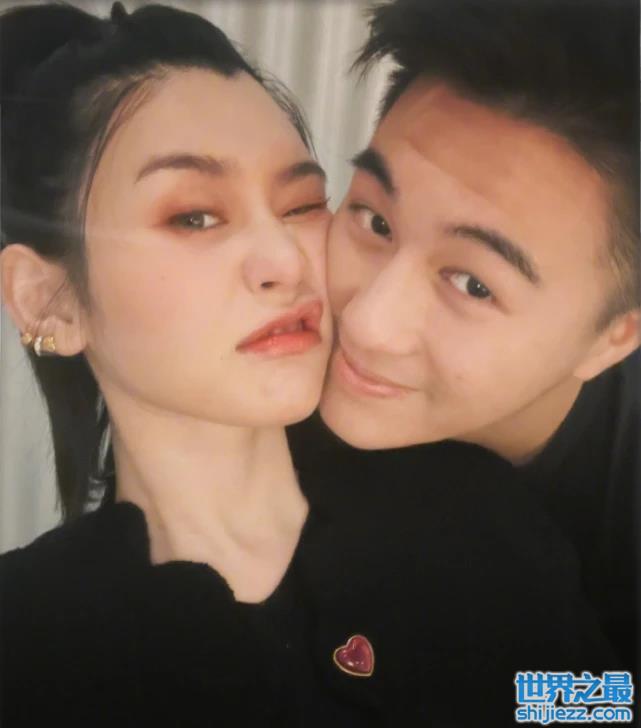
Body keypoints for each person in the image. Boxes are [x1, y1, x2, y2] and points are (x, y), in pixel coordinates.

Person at [0, 3, 622, 726]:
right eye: (195, 216)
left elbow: (595, 705)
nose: (286, 261)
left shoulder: (475, 514)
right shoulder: (32, 646)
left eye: (299, 205)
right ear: (49, 301)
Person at [296, 0, 639, 672]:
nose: (365, 323)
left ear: (613, 337)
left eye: (474, 284)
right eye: (375, 221)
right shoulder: (279, 363)